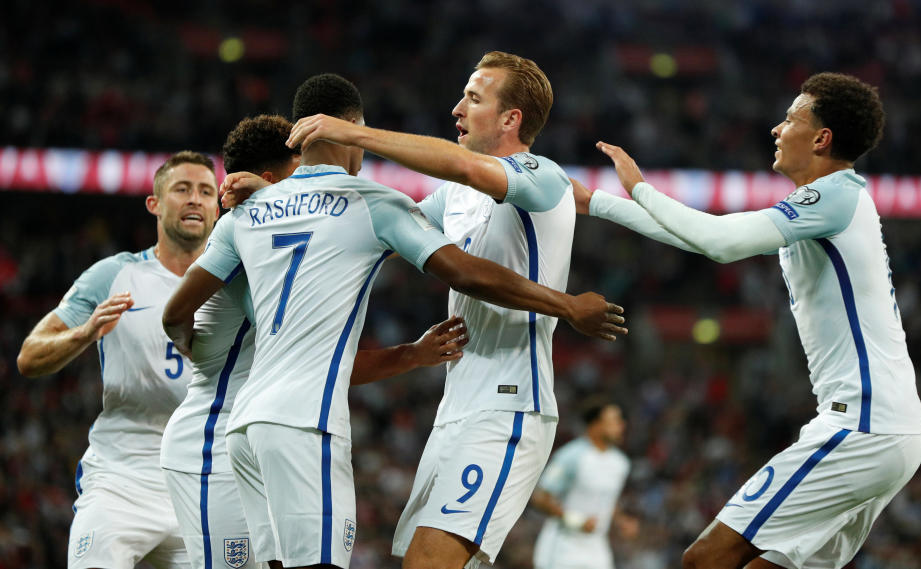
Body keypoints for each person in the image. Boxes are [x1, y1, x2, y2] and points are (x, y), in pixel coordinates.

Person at [163, 73, 626, 569]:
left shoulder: (247, 210)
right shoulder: (372, 204)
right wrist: (567, 304)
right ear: (351, 128)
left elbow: (175, 315)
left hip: (245, 426)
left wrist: (193, 343)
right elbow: (466, 272)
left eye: (472, 98)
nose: (458, 109)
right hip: (307, 421)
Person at [583, 72, 921, 569]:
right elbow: (699, 237)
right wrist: (597, 202)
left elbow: (718, 243)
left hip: (864, 426)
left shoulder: (832, 197)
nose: (777, 129)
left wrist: (638, 187)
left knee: (705, 560)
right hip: (889, 429)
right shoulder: (833, 201)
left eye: (791, 119)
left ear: (821, 138)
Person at [283, 51, 589, 569]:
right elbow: (365, 225)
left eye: (473, 98)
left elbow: (466, 165)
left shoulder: (543, 177)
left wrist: (356, 134)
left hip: (510, 406)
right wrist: (270, 196)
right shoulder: (453, 199)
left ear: (511, 119)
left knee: (430, 562)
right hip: (456, 412)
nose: (457, 109)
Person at [159, 114, 473, 569]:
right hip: (209, 440)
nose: (309, 185)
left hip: (250, 430)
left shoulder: (259, 236)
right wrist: (189, 344)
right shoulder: (254, 240)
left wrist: (411, 354)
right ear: (271, 181)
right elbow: (175, 315)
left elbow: (323, 358)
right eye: (297, 171)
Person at [17, 151, 220, 569]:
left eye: (205, 191)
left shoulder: (238, 284)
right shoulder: (115, 275)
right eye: (182, 189)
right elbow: (29, 356)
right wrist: (85, 332)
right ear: (155, 204)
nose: (195, 200)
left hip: (205, 482)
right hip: (122, 478)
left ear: (219, 206)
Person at [529, 398, 636, 569]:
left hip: (597, 549)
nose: (621, 425)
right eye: (614, 421)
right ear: (595, 425)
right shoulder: (570, 456)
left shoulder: (620, 463)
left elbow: (608, 499)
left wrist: (621, 520)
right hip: (562, 547)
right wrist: (576, 521)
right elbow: (540, 498)